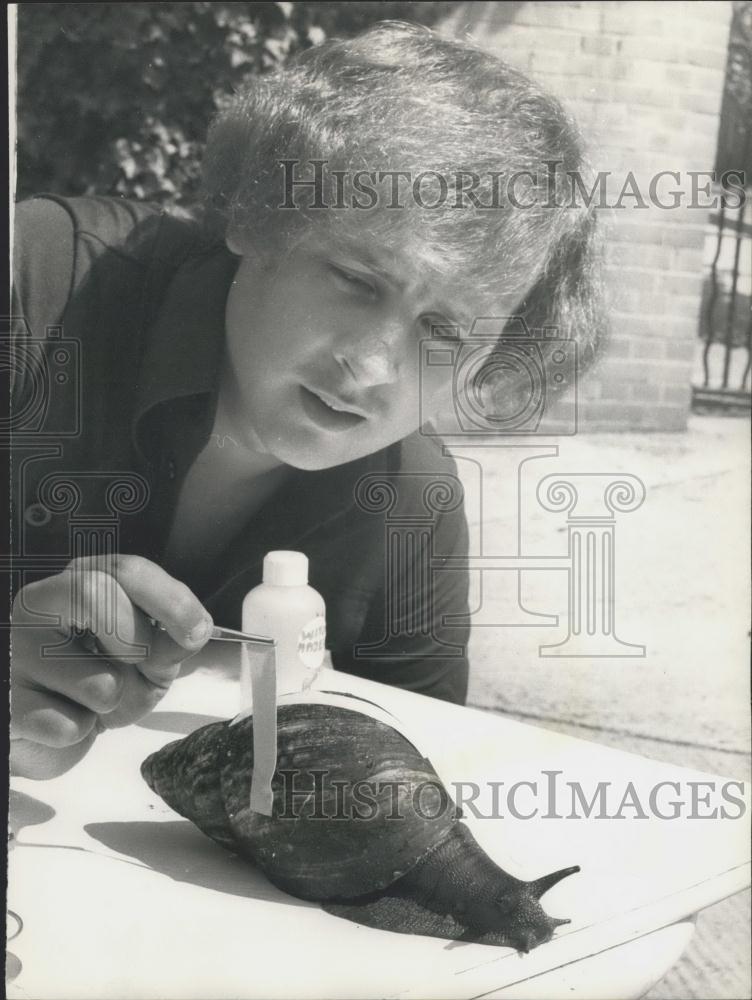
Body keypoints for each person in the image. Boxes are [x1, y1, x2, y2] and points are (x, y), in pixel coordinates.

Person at [10, 21, 600, 779]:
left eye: (445, 329)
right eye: (357, 279)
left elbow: (401, 794)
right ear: (258, 218)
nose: (374, 365)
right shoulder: (34, 288)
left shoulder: (415, 505)